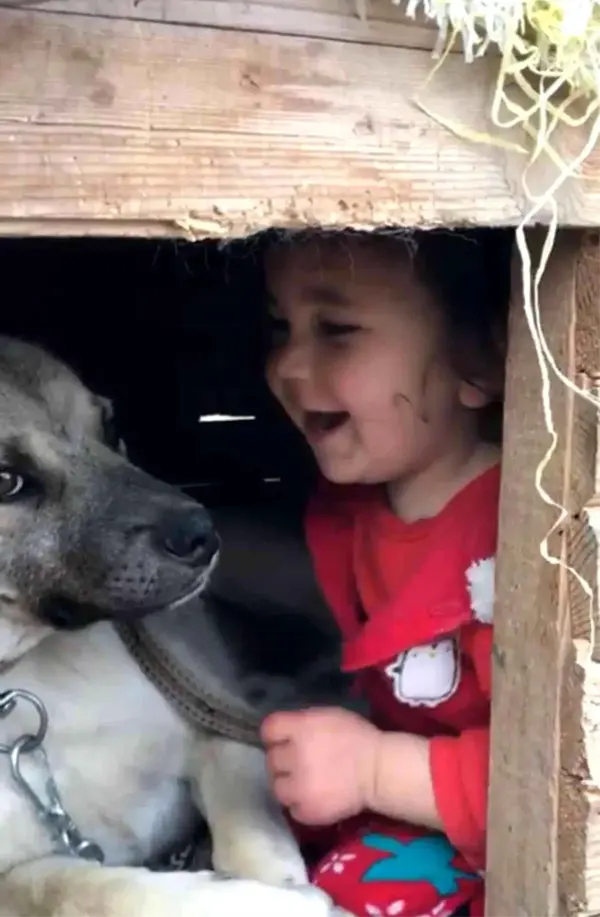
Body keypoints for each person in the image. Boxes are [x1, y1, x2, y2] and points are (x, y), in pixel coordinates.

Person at [257, 228, 512, 917]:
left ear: (481, 360)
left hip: (510, 841)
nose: (288, 363)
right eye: (283, 325)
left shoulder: (525, 541)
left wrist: (372, 769)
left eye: (336, 328)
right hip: (425, 817)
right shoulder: (354, 514)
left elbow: (559, 782)